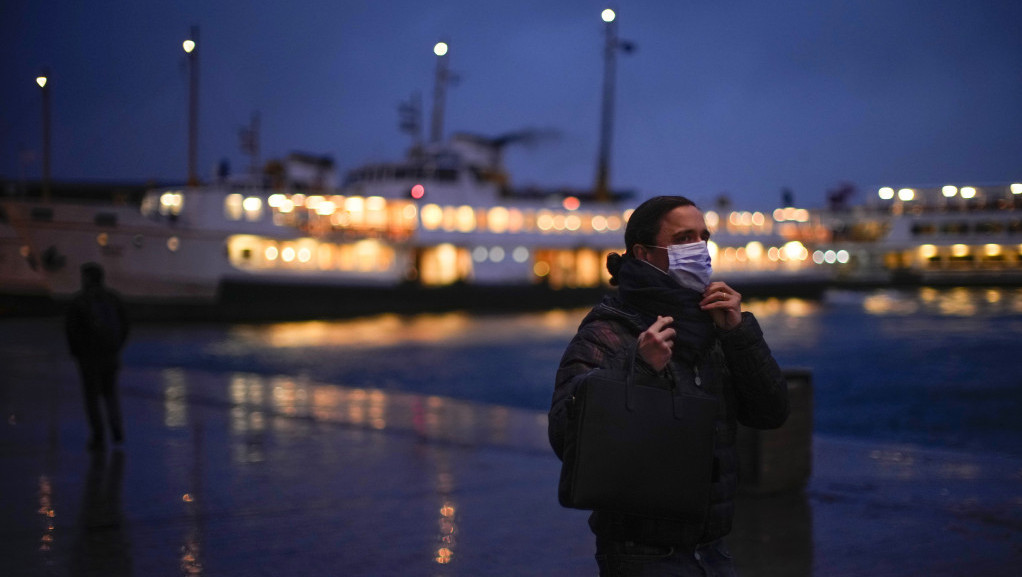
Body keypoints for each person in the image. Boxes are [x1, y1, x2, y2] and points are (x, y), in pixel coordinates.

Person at [549, 196, 789, 576]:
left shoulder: (715, 325)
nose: (698, 249)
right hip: (641, 553)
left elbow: (771, 412)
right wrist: (638, 368)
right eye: (682, 239)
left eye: (703, 238)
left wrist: (739, 333)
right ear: (643, 253)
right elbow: (565, 436)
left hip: (714, 548)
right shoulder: (609, 330)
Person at [65, 262, 130, 450]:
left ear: (86, 278)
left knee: (92, 399)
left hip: (89, 359)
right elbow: (125, 326)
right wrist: (117, 347)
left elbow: (72, 331)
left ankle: (98, 437)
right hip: (111, 356)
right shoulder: (113, 299)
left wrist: (77, 353)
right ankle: (117, 431)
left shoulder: (80, 301)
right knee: (111, 395)